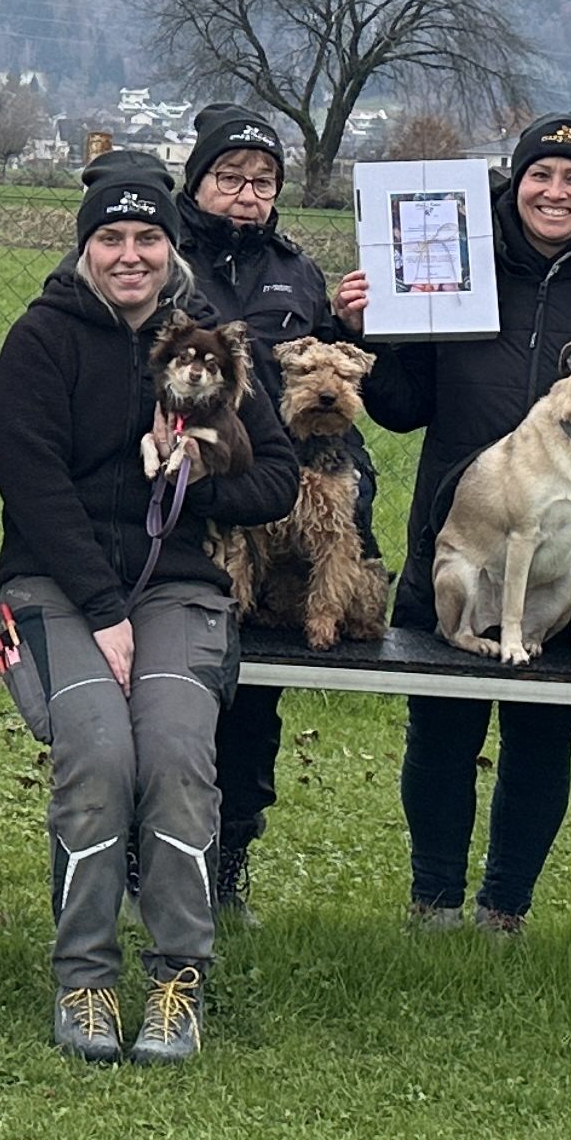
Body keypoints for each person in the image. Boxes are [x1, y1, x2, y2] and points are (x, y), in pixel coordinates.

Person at [0, 154, 299, 1064]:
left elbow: (277, 476)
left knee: (171, 751)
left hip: (178, 587)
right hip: (53, 586)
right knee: (97, 748)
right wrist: (100, 607)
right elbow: (32, 485)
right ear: (85, 246)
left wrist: (198, 475)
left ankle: (176, 977)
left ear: (171, 247)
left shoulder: (210, 343)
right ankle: (84, 979)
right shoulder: (41, 339)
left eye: (149, 238)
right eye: (112, 238)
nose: (131, 255)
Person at [358, 113, 571, 936]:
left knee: (542, 733)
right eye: (541, 174)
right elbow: (401, 410)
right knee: (442, 729)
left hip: (566, 554)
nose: (556, 191)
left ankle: (506, 906)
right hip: (462, 532)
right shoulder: (454, 263)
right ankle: (433, 900)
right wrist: (371, 330)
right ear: (516, 182)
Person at [171, 102, 377, 924]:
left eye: (263, 181)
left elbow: (335, 381)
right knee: (181, 700)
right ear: (198, 182)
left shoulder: (299, 269)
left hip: (286, 497)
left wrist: (356, 326)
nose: (248, 194)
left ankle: (229, 866)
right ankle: (156, 860)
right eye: (231, 177)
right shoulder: (165, 257)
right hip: (188, 504)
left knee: (254, 705)